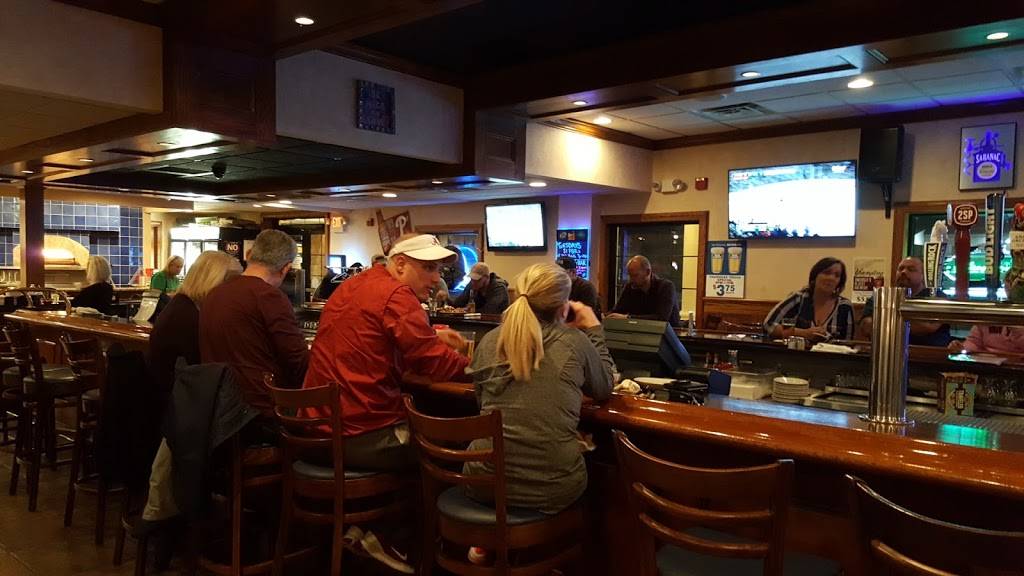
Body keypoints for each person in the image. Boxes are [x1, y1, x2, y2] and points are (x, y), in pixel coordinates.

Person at [303, 233, 470, 471]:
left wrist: (431, 336)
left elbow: (371, 340)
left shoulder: (355, 284)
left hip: (314, 431)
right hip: (358, 434)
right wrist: (482, 369)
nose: (436, 278)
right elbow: (435, 363)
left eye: (438, 270)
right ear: (400, 264)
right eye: (428, 268)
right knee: (459, 446)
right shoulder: (397, 294)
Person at [464, 263, 614, 514]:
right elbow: (603, 388)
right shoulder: (574, 341)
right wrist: (594, 329)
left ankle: (496, 534)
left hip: (483, 482)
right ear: (563, 305)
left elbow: (482, 402)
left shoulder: (489, 341)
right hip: (549, 489)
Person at [200, 229, 309, 417]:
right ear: (286, 268)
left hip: (218, 405)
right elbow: (297, 359)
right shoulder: (269, 296)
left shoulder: (215, 293)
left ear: (249, 255)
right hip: (260, 408)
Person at [150, 251, 242, 401]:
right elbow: (205, 365)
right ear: (214, 281)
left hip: (171, 394)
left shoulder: (183, 304)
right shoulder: (187, 314)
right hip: (176, 401)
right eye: (231, 283)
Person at [857, 257, 951, 346]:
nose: (903, 272)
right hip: (888, 352)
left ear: (923, 276)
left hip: (928, 354)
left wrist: (885, 320)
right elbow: (866, 327)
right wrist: (908, 321)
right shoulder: (881, 295)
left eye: (911, 269)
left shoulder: (936, 296)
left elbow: (928, 327)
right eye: (900, 269)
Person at [764, 257, 855, 341]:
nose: (831, 278)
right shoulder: (799, 298)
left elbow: (848, 343)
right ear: (815, 276)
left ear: (840, 282)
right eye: (827, 273)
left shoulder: (844, 307)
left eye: (837, 275)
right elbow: (768, 324)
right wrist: (804, 333)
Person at [607, 255, 680, 326]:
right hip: (640, 331)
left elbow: (662, 318)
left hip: (671, 332)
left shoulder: (665, 287)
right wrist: (606, 316)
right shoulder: (630, 287)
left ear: (648, 272)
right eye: (630, 275)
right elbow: (618, 311)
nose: (631, 279)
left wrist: (628, 318)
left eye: (635, 275)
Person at [556, 256, 602, 320]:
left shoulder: (586, 287)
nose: (557, 275)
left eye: (561, 273)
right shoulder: (558, 286)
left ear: (573, 272)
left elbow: (587, 314)